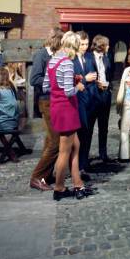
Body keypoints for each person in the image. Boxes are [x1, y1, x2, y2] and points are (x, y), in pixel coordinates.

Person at [42, 31, 93, 201]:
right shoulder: (67, 63)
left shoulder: (53, 60)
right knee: (64, 151)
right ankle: (59, 187)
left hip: (57, 107)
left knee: (75, 146)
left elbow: (46, 87)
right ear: (75, 46)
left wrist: (71, 80)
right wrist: (78, 85)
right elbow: (69, 91)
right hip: (67, 109)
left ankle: (78, 184)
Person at [29, 28, 63, 191]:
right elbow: (34, 79)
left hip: (54, 101)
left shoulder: (54, 55)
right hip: (46, 102)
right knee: (56, 142)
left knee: (50, 140)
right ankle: (36, 177)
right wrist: (55, 80)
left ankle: (45, 176)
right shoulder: (42, 55)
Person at [81, 34, 113, 166]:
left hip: (105, 95)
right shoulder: (87, 57)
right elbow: (85, 76)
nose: (109, 47)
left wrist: (108, 86)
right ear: (101, 45)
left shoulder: (107, 58)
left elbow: (109, 75)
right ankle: (85, 157)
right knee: (89, 128)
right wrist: (95, 84)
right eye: (107, 44)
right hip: (92, 97)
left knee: (104, 127)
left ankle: (103, 154)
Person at [72, 32, 97, 173]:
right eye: (82, 44)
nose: (85, 47)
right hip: (77, 101)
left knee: (87, 134)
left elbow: (93, 75)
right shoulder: (71, 59)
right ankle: (77, 166)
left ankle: (84, 163)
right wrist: (84, 80)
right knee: (79, 135)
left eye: (87, 44)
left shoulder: (89, 56)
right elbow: (72, 81)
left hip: (90, 100)